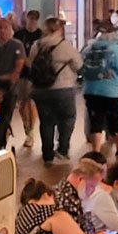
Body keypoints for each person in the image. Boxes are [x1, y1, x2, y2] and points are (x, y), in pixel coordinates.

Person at [29, 17, 83, 167]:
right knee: (68, 117)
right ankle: (63, 148)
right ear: (59, 30)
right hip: (63, 88)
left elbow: (29, 63)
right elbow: (78, 64)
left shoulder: (37, 45)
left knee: (46, 122)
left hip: (40, 89)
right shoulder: (65, 45)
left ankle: (47, 156)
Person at [80, 22, 118, 155]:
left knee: (95, 121)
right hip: (113, 92)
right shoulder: (117, 50)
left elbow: (81, 67)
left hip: (91, 90)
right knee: (114, 121)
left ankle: (96, 150)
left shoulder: (89, 48)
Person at [13, 10, 43, 148]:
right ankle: (27, 130)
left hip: (35, 73)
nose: (32, 21)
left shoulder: (41, 35)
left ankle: (31, 132)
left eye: (34, 19)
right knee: (22, 104)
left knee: (31, 103)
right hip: (22, 73)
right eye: (30, 18)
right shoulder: (19, 35)